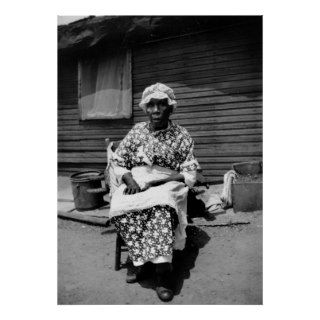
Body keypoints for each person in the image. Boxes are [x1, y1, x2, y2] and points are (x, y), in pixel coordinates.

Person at [109, 83, 199, 302]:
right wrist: (129, 179)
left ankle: (163, 273)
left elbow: (188, 171)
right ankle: (139, 260)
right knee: (122, 203)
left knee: (161, 204)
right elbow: (119, 161)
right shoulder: (137, 131)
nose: (156, 110)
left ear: (171, 108)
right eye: (151, 105)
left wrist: (159, 181)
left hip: (168, 180)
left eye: (162, 105)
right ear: (145, 108)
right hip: (137, 178)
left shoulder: (181, 135)